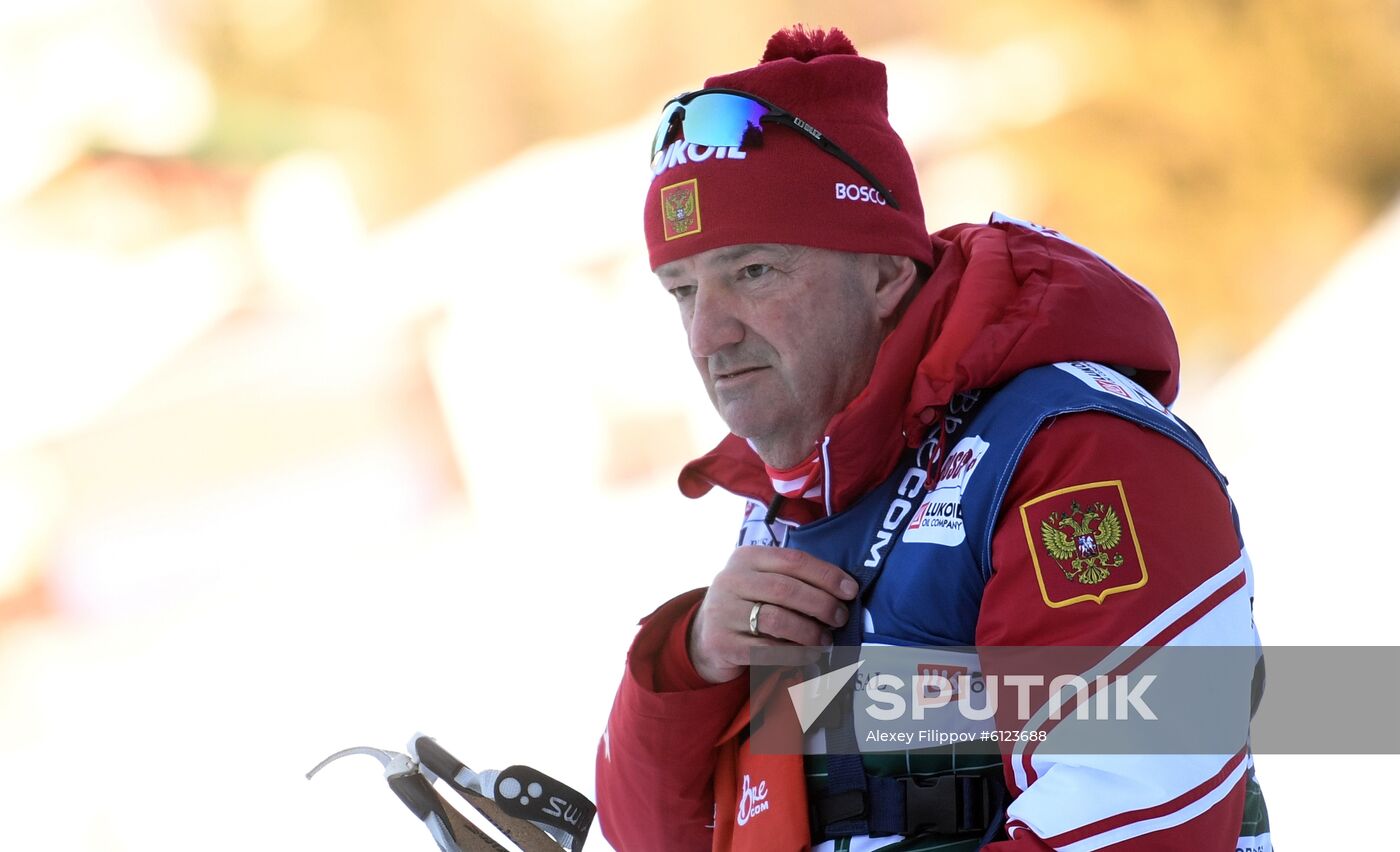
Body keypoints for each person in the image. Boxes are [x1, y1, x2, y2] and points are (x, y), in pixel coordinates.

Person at [596, 24, 1271, 852]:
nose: (708, 335)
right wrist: (694, 661)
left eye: (753, 273)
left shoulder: (1073, 454)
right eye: (681, 291)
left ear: (882, 274)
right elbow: (658, 839)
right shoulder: (802, 500)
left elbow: (1131, 810)